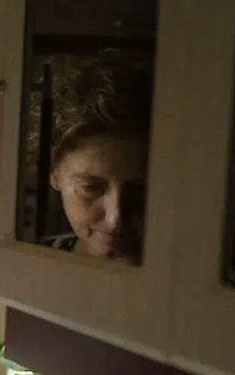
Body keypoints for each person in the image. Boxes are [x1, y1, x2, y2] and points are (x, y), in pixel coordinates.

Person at [44, 51, 154, 264]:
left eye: (139, 189)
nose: (116, 219)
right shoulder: (28, 266)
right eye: (90, 187)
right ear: (55, 174)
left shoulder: (205, 284)